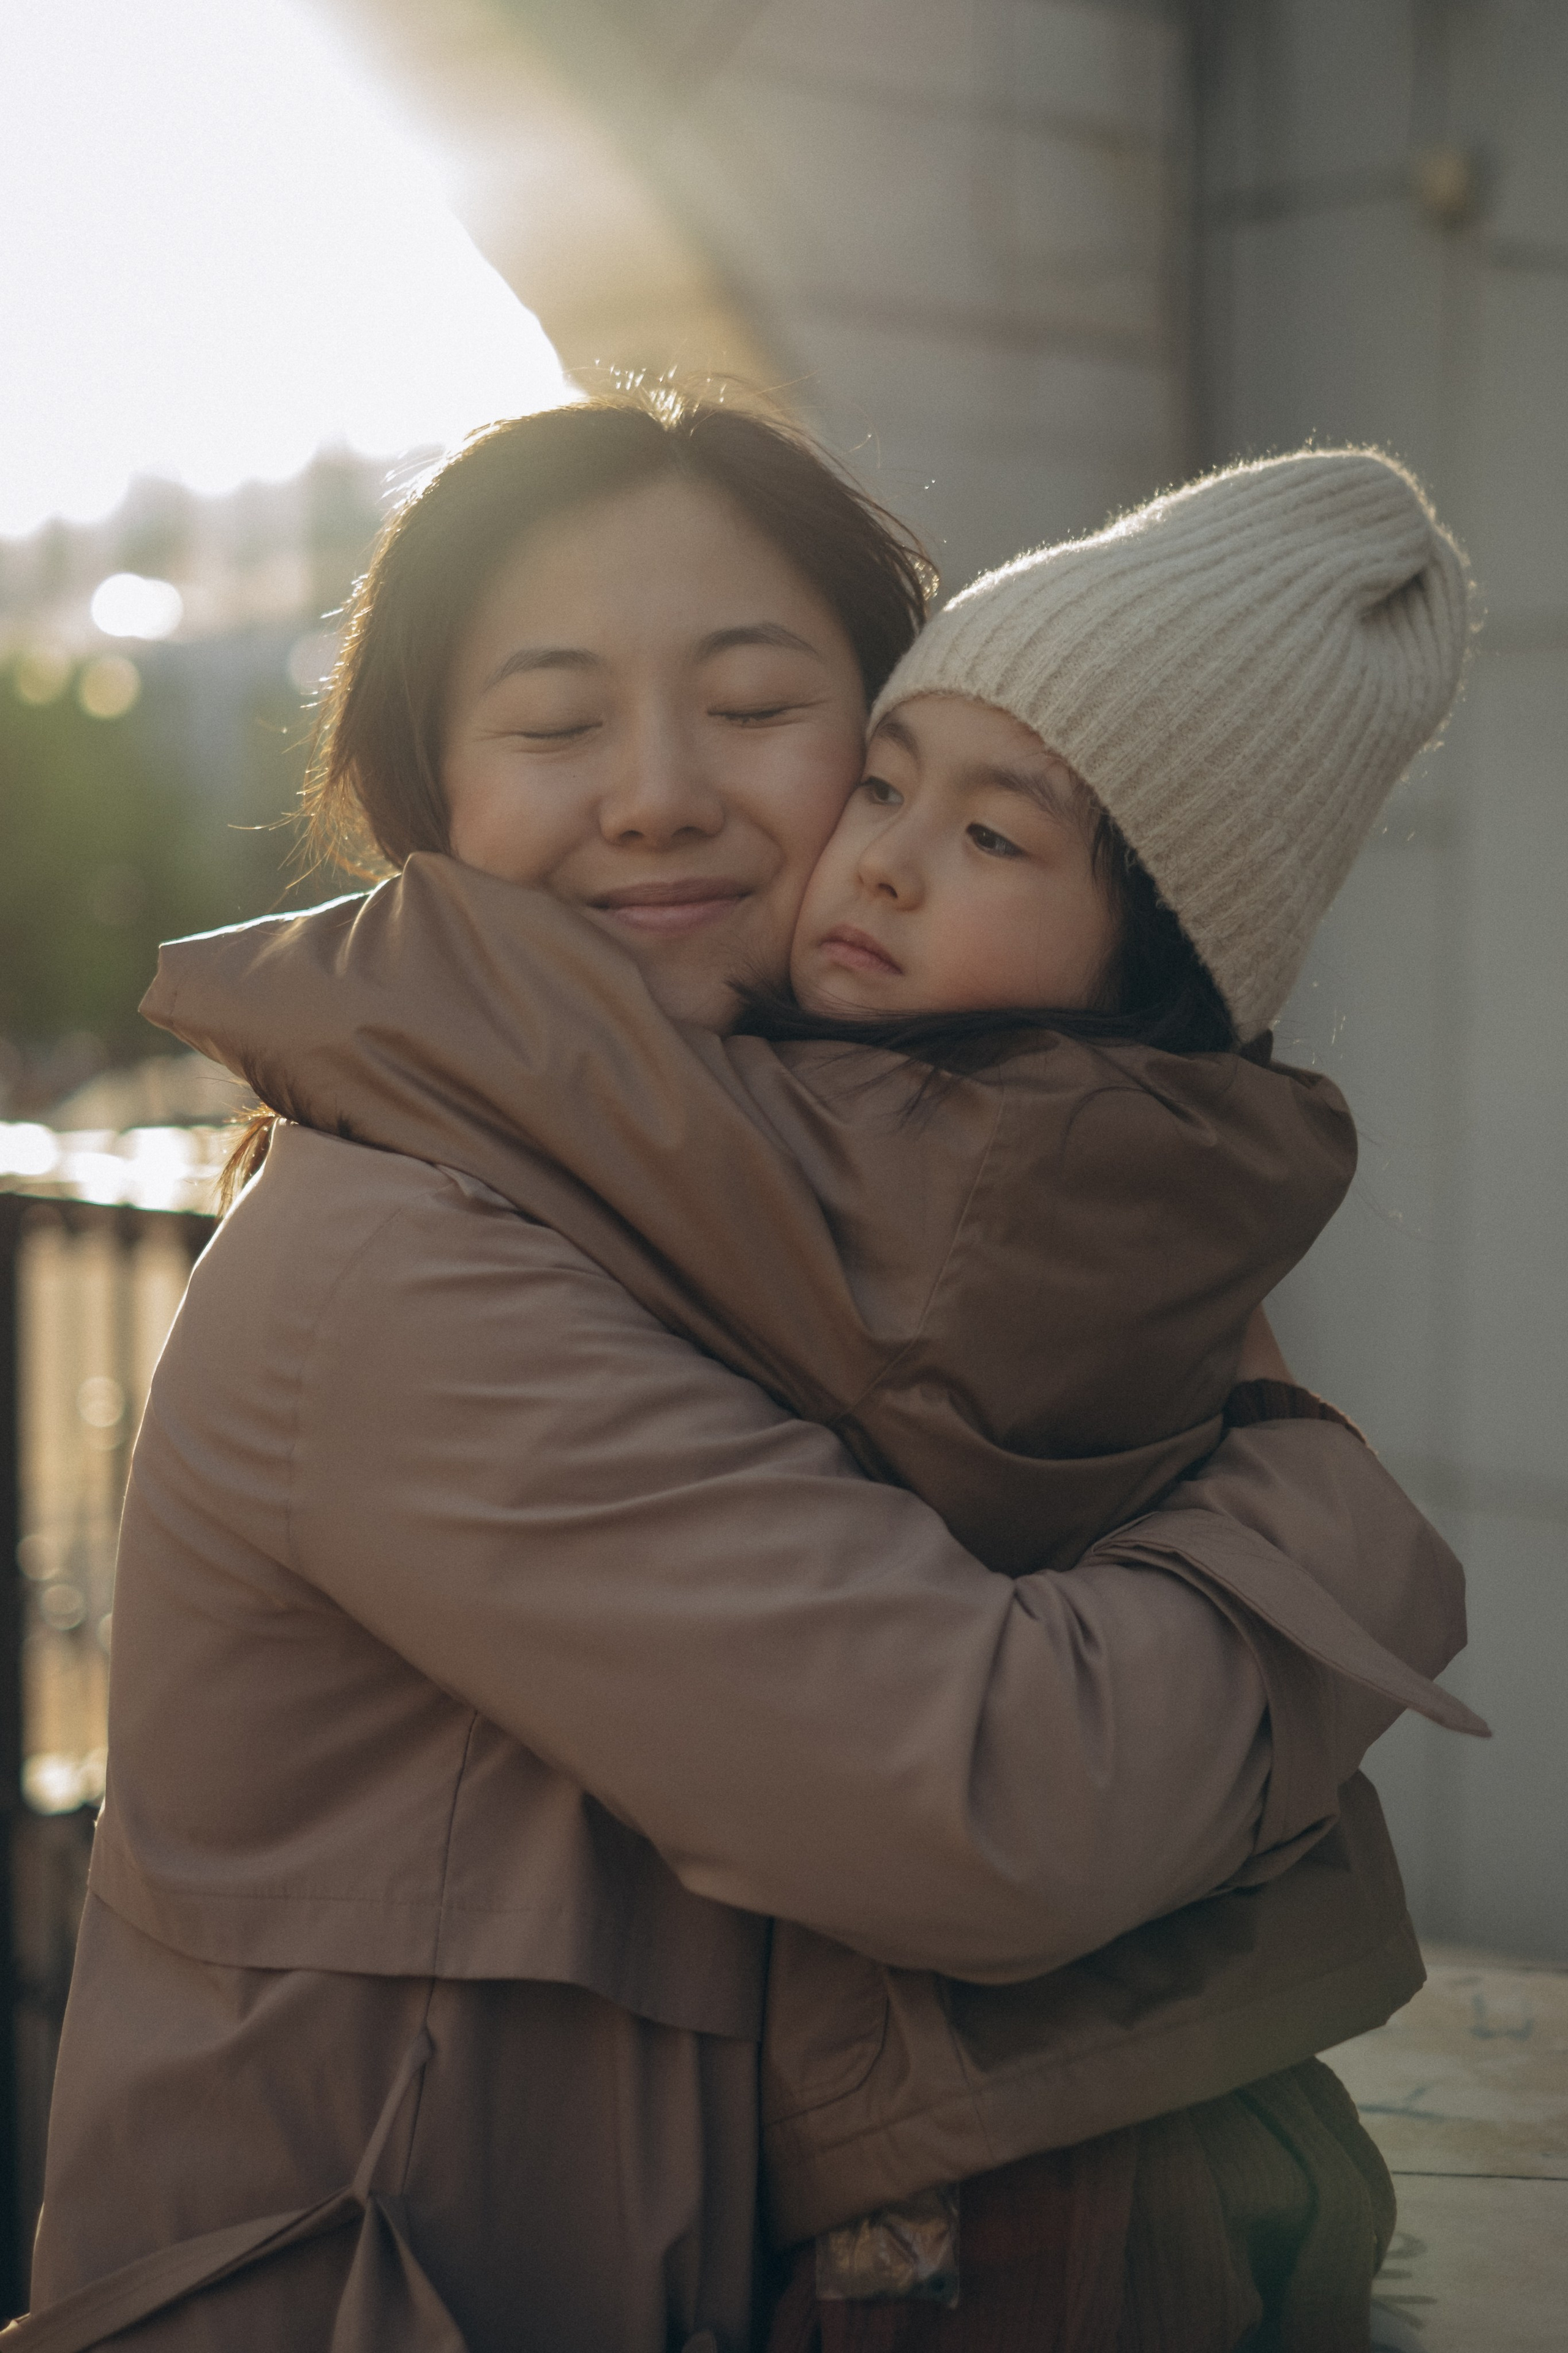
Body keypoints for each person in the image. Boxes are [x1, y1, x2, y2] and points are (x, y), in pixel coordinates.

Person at [15, 402, 1472, 2353]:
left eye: (759, 707)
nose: (656, 795)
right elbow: (1000, 1806)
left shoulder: (776, 1198)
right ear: (432, 789)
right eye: (555, 723)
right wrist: (1327, 1517)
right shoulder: (398, 1263)